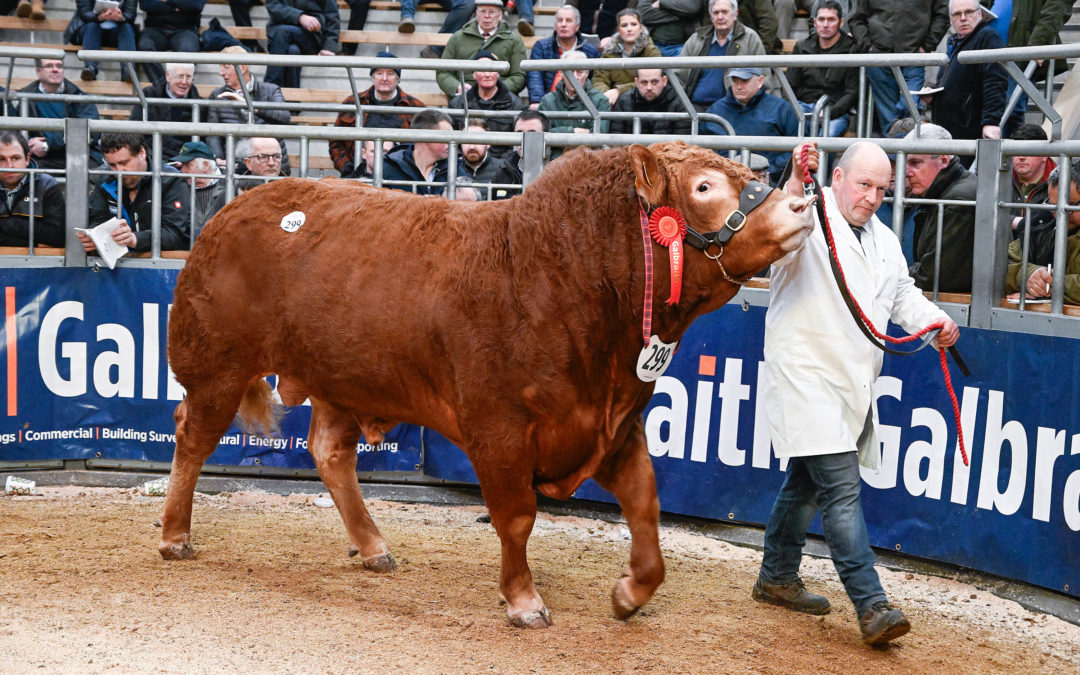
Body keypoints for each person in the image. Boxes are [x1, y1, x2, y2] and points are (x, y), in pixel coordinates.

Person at [756, 139, 959, 646]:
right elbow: (775, 231)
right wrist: (794, 182)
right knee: (842, 490)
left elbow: (901, 293)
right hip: (805, 373)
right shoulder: (805, 213)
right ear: (839, 178)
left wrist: (933, 319)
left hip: (851, 381)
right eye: (864, 184)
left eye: (881, 190)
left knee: (805, 483)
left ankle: (776, 578)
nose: (871, 197)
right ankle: (872, 606)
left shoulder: (885, 238)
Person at [848, 0, 949, 134]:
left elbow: (942, 16)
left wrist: (927, 45)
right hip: (880, 58)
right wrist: (868, 46)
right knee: (888, 117)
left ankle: (907, 150)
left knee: (911, 109)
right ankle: (895, 153)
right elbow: (856, 19)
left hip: (913, 57)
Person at [84, 133, 191, 254]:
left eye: (124, 163)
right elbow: (98, 219)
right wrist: (95, 236)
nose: (119, 170)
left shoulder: (171, 179)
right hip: (117, 261)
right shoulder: (102, 179)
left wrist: (135, 238)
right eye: (112, 165)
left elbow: (173, 234)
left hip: (165, 263)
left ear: (142, 153)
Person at [904, 123, 977, 293]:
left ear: (944, 160)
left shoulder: (957, 200)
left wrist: (897, 279)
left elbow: (933, 276)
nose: (907, 172)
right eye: (906, 163)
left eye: (915, 163)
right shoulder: (951, 192)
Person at [328, 53, 426, 179]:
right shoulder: (353, 102)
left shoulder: (415, 107)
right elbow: (335, 141)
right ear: (372, 77)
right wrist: (346, 168)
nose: (384, 78)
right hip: (357, 175)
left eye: (390, 73)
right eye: (379, 73)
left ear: (398, 78)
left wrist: (410, 171)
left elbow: (424, 146)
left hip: (400, 177)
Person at [702, 67, 799, 183]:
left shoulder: (781, 109)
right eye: (735, 80)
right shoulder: (715, 110)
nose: (739, 86)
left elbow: (795, 148)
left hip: (770, 180)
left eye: (744, 81)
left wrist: (767, 170)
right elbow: (703, 147)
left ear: (760, 81)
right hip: (725, 179)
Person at [207, 46, 292, 175]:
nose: (221, 73)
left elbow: (285, 118)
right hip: (233, 166)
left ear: (242, 67)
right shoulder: (217, 95)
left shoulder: (271, 90)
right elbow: (213, 133)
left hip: (269, 165)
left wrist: (251, 106)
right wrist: (218, 158)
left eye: (226, 67)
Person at [933, 0, 1008, 146]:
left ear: (980, 14)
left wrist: (991, 122)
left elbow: (995, 81)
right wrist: (933, 96)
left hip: (970, 132)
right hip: (950, 131)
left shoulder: (987, 38)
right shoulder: (954, 42)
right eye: (956, 14)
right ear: (950, 19)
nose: (962, 18)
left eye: (968, 12)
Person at [1005, 159, 1080, 302]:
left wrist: (1050, 286)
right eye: (1053, 205)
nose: (1059, 214)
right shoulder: (1040, 224)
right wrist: (1028, 275)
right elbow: (1000, 265)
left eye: (1069, 206)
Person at [678, 0, 769, 111]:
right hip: (694, 108)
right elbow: (678, 76)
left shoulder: (749, 38)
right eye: (716, 13)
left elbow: (764, 76)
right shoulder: (697, 39)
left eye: (724, 12)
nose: (720, 17)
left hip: (734, 108)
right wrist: (682, 104)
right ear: (710, 16)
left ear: (735, 14)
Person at [14, 58, 103, 172]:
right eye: (49, 66)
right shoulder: (24, 97)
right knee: (24, 169)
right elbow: (16, 132)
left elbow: (90, 133)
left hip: (79, 154)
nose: (55, 70)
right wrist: (31, 143)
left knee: (95, 172)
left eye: (59, 66)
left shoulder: (79, 96)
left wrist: (48, 145)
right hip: (42, 158)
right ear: (38, 71)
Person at [785, 0, 858, 137]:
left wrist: (831, 112)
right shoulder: (802, 47)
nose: (825, 25)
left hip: (835, 111)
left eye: (831, 20)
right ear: (814, 22)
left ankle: (820, 159)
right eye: (821, 19)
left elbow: (852, 91)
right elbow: (790, 86)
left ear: (841, 23)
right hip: (803, 107)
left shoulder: (851, 49)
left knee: (826, 138)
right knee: (789, 126)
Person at [436, 0, 528, 100]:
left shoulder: (513, 40)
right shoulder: (458, 37)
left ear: (500, 15)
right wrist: (458, 87)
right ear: (476, 13)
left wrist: (498, 90)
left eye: (492, 12)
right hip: (464, 99)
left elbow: (519, 75)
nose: (487, 16)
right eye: (482, 11)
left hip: (501, 100)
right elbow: (443, 72)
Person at [449, 50, 526, 157]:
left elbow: (517, 145)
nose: (487, 75)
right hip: (467, 162)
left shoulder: (516, 105)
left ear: (498, 73)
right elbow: (452, 142)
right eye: (481, 70)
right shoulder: (457, 104)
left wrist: (503, 165)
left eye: (491, 69)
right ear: (474, 74)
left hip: (503, 166)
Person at [381, 109, 471, 197]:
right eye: (446, 136)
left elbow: (469, 203)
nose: (452, 142)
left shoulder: (453, 167)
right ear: (425, 136)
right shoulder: (389, 167)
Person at [527, 5, 601, 108]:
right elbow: (535, 76)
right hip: (549, 102)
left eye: (569, 21)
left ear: (577, 26)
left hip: (581, 103)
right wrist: (537, 101)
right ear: (555, 25)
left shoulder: (591, 51)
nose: (563, 24)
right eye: (560, 20)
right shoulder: (541, 46)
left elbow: (596, 81)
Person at [0, 131, 65, 248]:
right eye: (1, 159)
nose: (9, 166)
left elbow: (56, 237)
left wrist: (5, 224)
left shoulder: (47, 185)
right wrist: (33, 243)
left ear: (27, 159)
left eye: (15, 158)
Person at [128, 62, 202, 164]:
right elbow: (134, 130)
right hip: (150, 157)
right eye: (180, 76)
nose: (184, 82)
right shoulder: (148, 95)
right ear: (168, 75)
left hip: (185, 161)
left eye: (188, 77)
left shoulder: (200, 104)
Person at [537, 50, 610, 150]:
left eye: (579, 72)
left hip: (587, 159)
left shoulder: (600, 100)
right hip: (554, 159)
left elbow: (599, 137)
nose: (574, 77)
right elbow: (541, 134)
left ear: (587, 73)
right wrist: (573, 132)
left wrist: (558, 133)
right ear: (561, 73)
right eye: (570, 72)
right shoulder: (547, 100)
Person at [264, 0, 340, 89]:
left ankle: (269, 88)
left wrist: (329, 47)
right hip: (280, 39)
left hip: (311, 36)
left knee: (283, 31)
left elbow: (332, 16)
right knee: (292, 51)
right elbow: (272, 5)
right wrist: (300, 17)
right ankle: (293, 100)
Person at [594, 8, 661, 107]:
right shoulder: (609, 52)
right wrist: (605, 95)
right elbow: (599, 79)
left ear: (640, 27)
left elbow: (652, 82)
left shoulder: (651, 51)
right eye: (624, 25)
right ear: (618, 29)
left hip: (644, 102)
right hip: (613, 103)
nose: (629, 29)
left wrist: (619, 91)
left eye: (634, 24)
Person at [137, 0, 206, 86]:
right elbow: (146, 4)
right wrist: (176, 7)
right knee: (145, 45)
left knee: (188, 50)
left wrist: (168, 1)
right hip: (155, 28)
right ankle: (162, 87)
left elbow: (196, 5)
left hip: (186, 29)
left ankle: (178, 87)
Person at [66, 0, 137, 82]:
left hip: (117, 32)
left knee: (127, 28)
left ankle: (128, 70)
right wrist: (99, 17)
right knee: (91, 26)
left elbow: (131, 14)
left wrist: (121, 17)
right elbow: (84, 13)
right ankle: (90, 68)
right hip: (90, 31)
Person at [170, 141, 227, 242]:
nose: (182, 171)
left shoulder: (232, 184)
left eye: (187, 165)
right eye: (181, 165)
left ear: (205, 165)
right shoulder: (178, 187)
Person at [609, 68, 691, 136]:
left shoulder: (679, 103)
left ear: (664, 81)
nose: (649, 87)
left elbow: (681, 146)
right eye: (644, 82)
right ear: (636, 82)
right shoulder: (624, 102)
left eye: (654, 82)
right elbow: (616, 141)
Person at [491, 108, 548, 199]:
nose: (525, 140)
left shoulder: (558, 172)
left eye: (532, 133)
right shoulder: (503, 172)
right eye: (519, 133)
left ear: (547, 136)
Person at [459, 119, 512, 199]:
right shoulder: (451, 169)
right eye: (466, 140)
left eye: (478, 140)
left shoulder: (503, 169)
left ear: (488, 143)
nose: (472, 146)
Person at [632, 0, 705, 57]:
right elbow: (643, 14)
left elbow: (692, 8)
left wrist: (661, 3)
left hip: (682, 46)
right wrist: (680, 15)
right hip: (652, 45)